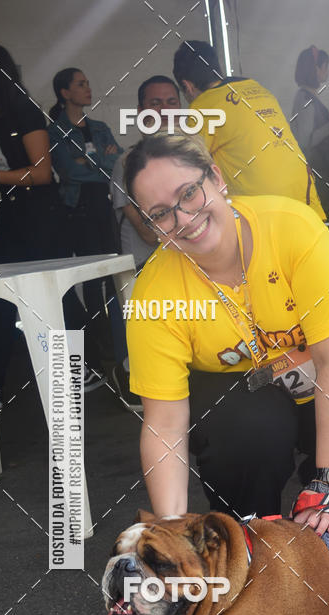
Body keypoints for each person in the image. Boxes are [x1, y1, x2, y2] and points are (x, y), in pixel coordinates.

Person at [122, 132, 329, 534]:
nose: (183, 219)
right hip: (243, 397)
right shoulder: (154, 292)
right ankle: (256, 529)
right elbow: (164, 424)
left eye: (188, 193)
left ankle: (322, 477)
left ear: (216, 178)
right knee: (247, 432)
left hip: (320, 368)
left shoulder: (292, 226)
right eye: (161, 213)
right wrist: (170, 529)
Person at [0, 42, 90, 409]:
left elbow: (43, 172)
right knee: (2, 301)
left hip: (42, 218)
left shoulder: (24, 111)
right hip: (13, 218)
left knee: (58, 297)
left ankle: (80, 370)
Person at [172, 41, 325, 221]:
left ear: (187, 86)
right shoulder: (258, 89)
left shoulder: (203, 106)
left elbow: (186, 166)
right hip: (305, 200)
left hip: (265, 215)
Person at [109, 75, 181, 411]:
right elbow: (149, 233)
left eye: (171, 102)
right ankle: (127, 375)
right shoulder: (125, 164)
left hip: (185, 267)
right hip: (144, 272)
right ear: (140, 111)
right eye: (155, 103)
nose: (164, 110)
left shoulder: (192, 158)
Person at [48, 68, 123, 390]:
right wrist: (99, 163)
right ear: (65, 93)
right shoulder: (55, 131)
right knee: (92, 281)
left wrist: (89, 163)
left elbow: (117, 163)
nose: (88, 88)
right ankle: (100, 347)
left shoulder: (100, 127)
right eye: (81, 84)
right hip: (78, 210)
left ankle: (116, 344)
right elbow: (69, 172)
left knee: (114, 275)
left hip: (104, 207)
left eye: (88, 82)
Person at [291, 46, 329, 235]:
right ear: (315, 69)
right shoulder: (305, 98)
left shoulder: (307, 97)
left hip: (319, 173)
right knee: (328, 223)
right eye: (325, 67)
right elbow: (305, 140)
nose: (327, 71)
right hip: (316, 175)